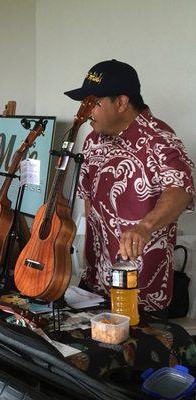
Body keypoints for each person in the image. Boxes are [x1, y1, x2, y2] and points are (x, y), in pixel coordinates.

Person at [65, 59, 194, 313]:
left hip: (141, 292)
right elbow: (88, 199)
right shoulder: (93, 140)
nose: (86, 110)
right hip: (94, 286)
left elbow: (180, 190)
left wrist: (144, 227)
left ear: (121, 102)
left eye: (94, 103)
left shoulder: (159, 139)